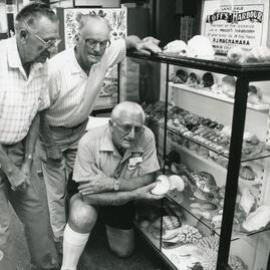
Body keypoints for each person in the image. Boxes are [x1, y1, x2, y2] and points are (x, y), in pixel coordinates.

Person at [39, 12, 162, 246]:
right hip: (52, 133)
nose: (97, 48)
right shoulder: (56, 69)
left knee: (80, 183)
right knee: (56, 191)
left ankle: (83, 224)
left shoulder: (104, 54)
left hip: (79, 129)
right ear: (77, 38)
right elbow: (38, 112)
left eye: (102, 42)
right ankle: (59, 239)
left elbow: (127, 41)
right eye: (91, 42)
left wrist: (139, 41)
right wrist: (50, 145)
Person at [60, 101, 162, 270]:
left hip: (118, 188)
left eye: (138, 128)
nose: (132, 134)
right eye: (126, 127)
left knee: (123, 251)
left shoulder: (147, 136)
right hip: (89, 192)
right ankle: (67, 266)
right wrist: (134, 193)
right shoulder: (89, 141)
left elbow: (148, 178)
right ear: (111, 125)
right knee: (82, 216)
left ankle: (103, 221)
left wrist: (113, 184)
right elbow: (89, 196)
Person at [0, 3, 60, 270]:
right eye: (46, 41)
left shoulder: (40, 63)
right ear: (23, 34)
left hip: (17, 150)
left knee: (36, 217)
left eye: (54, 40)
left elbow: (36, 112)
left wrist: (25, 162)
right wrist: (10, 170)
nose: (53, 48)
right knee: (1, 229)